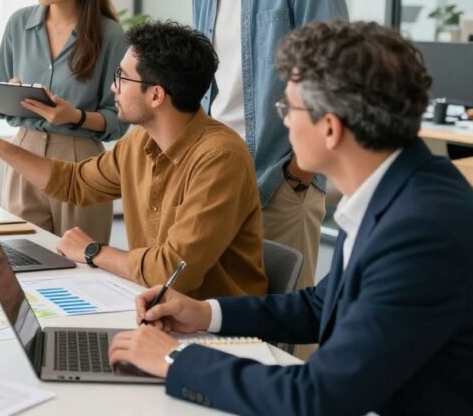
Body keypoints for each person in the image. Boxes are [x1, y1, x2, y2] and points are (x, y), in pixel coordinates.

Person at [109, 21, 473, 415]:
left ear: (330, 128)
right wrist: (204, 313)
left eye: (289, 107)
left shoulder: (420, 230)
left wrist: (175, 361)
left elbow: (317, 397)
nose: (284, 121)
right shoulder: (395, 190)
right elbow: (321, 306)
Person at [0, 20, 267, 300]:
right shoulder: (141, 140)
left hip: (212, 331)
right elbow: (73, 182)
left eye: (122, 78)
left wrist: (92, 251)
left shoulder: (219, 159)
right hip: (153, 306)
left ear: (155, 95)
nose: (113, 86)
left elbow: (172, 273)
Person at [158, 0, 350, 289]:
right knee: (220, 307)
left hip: (280, 175)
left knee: (284, 320)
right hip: (215, 169)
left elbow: (335, 73)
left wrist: (298, 175)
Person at [0, 0, 129, 245]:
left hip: (80, 161)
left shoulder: (110, 36)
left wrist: (75, 117)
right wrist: (11, 95)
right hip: (23, 150)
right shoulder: (18, 24)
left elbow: (119, 118)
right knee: (18, 256)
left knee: (79, 262)